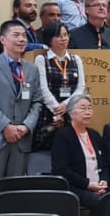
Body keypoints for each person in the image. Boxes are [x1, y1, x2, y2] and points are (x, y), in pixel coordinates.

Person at [0, 20, 45, 213]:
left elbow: (37, 102)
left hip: (21, 139)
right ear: (3, 39)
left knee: (15, 190)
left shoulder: (31, 69)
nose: (21, 39)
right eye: (16, 35)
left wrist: (26, 126)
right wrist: (6, 126)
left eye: (23, 35)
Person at [49, 93, 109, 208]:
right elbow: (61, 169)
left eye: (90, 108)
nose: (88, 112)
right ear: (71, 113)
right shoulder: (63, 135)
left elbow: (105, 164)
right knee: (100, 202)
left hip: (98, 184)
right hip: (76, 186)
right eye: (83, 108)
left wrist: (104, 180)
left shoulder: (94, 135)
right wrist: (88, 184)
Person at [32, 22, 85, 153]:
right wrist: (57, 109)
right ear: (49, 38)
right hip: (49, 112)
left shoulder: (75, 59)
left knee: (70, 149)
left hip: (71, 112)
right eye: (58, 36)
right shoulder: (42, 59)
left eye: (65, 35)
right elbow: (42, 88)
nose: (63, 39)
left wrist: (67, 105)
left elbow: (81, 87)